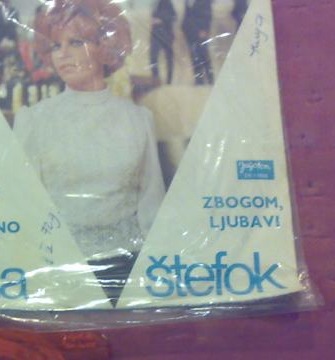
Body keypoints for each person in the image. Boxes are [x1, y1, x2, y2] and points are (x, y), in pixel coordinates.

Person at [13, 0, 165, 302]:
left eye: (75, 42)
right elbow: (24, 207)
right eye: (55, 45)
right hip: (59, 272)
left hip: (129, 270)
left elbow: (152, 205)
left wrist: (152, 277)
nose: (62, 54)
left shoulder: (138, 119)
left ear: (105, 47)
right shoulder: (33, 120)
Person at [183, 0, 214, 85]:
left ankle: (210, 79)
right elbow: (187, 14)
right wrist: (184, 28)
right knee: (194, 57)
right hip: (190, 33)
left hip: (201, 32)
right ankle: (199, 80)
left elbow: (208, 15)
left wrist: (205, 29)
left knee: (204, 56)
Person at [150, 0, 177, 85]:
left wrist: (160, 19)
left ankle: (168, 81)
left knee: (168, 60)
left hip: (166, 34)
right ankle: (156, 80)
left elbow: (174, 17)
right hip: (156, 35)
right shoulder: (156, 3)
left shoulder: (167, 2)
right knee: (153, 58)